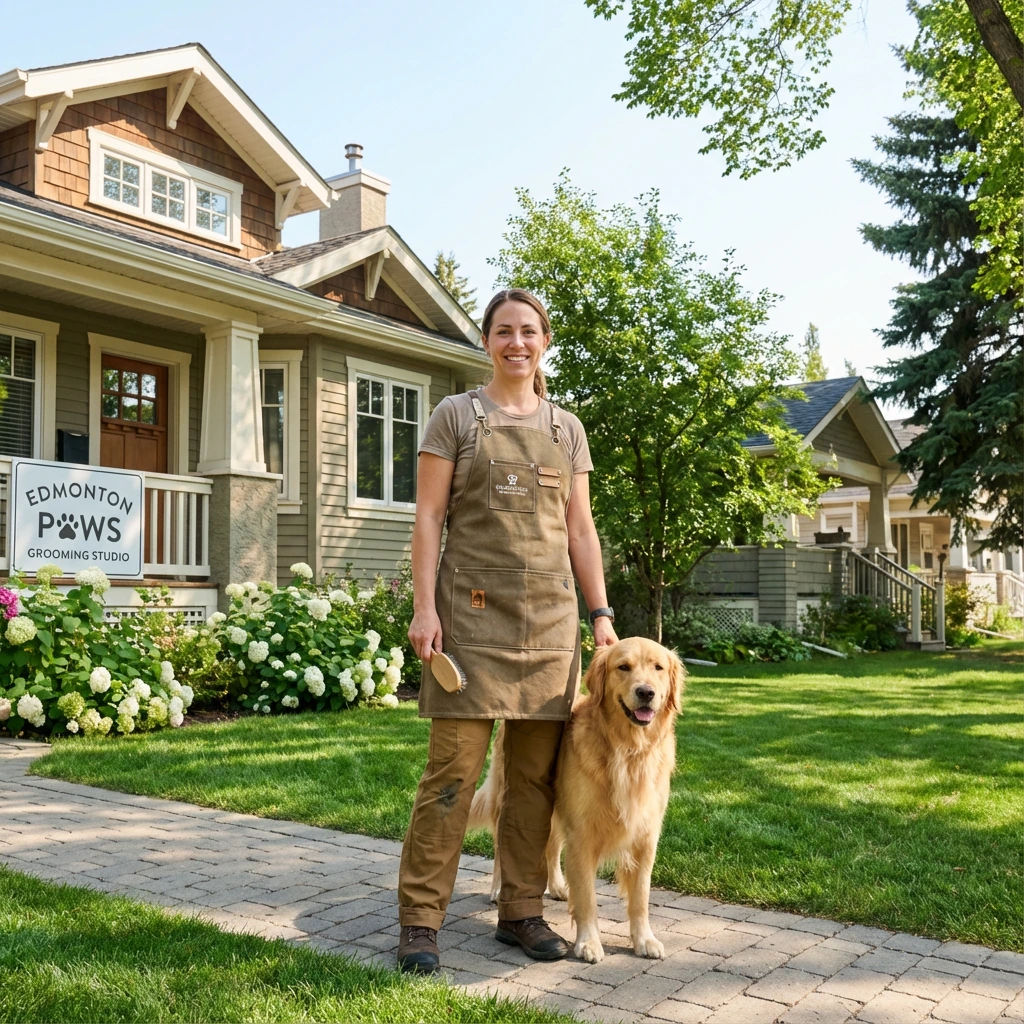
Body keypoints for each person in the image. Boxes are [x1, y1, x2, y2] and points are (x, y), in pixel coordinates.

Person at [397, 288, 618, 974]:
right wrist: (424, 608)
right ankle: (420, 919)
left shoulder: (566, 429)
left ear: (544, 342)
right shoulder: (456, 416)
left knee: (534, 781)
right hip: (467, 623)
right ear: (487, 341)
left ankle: (521, 910)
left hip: (550, 626)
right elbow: (429, 518)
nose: (516, 342)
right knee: (451, 776)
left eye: (528, 331)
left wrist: (601, 614)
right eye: (503, 331)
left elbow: (580, 529)